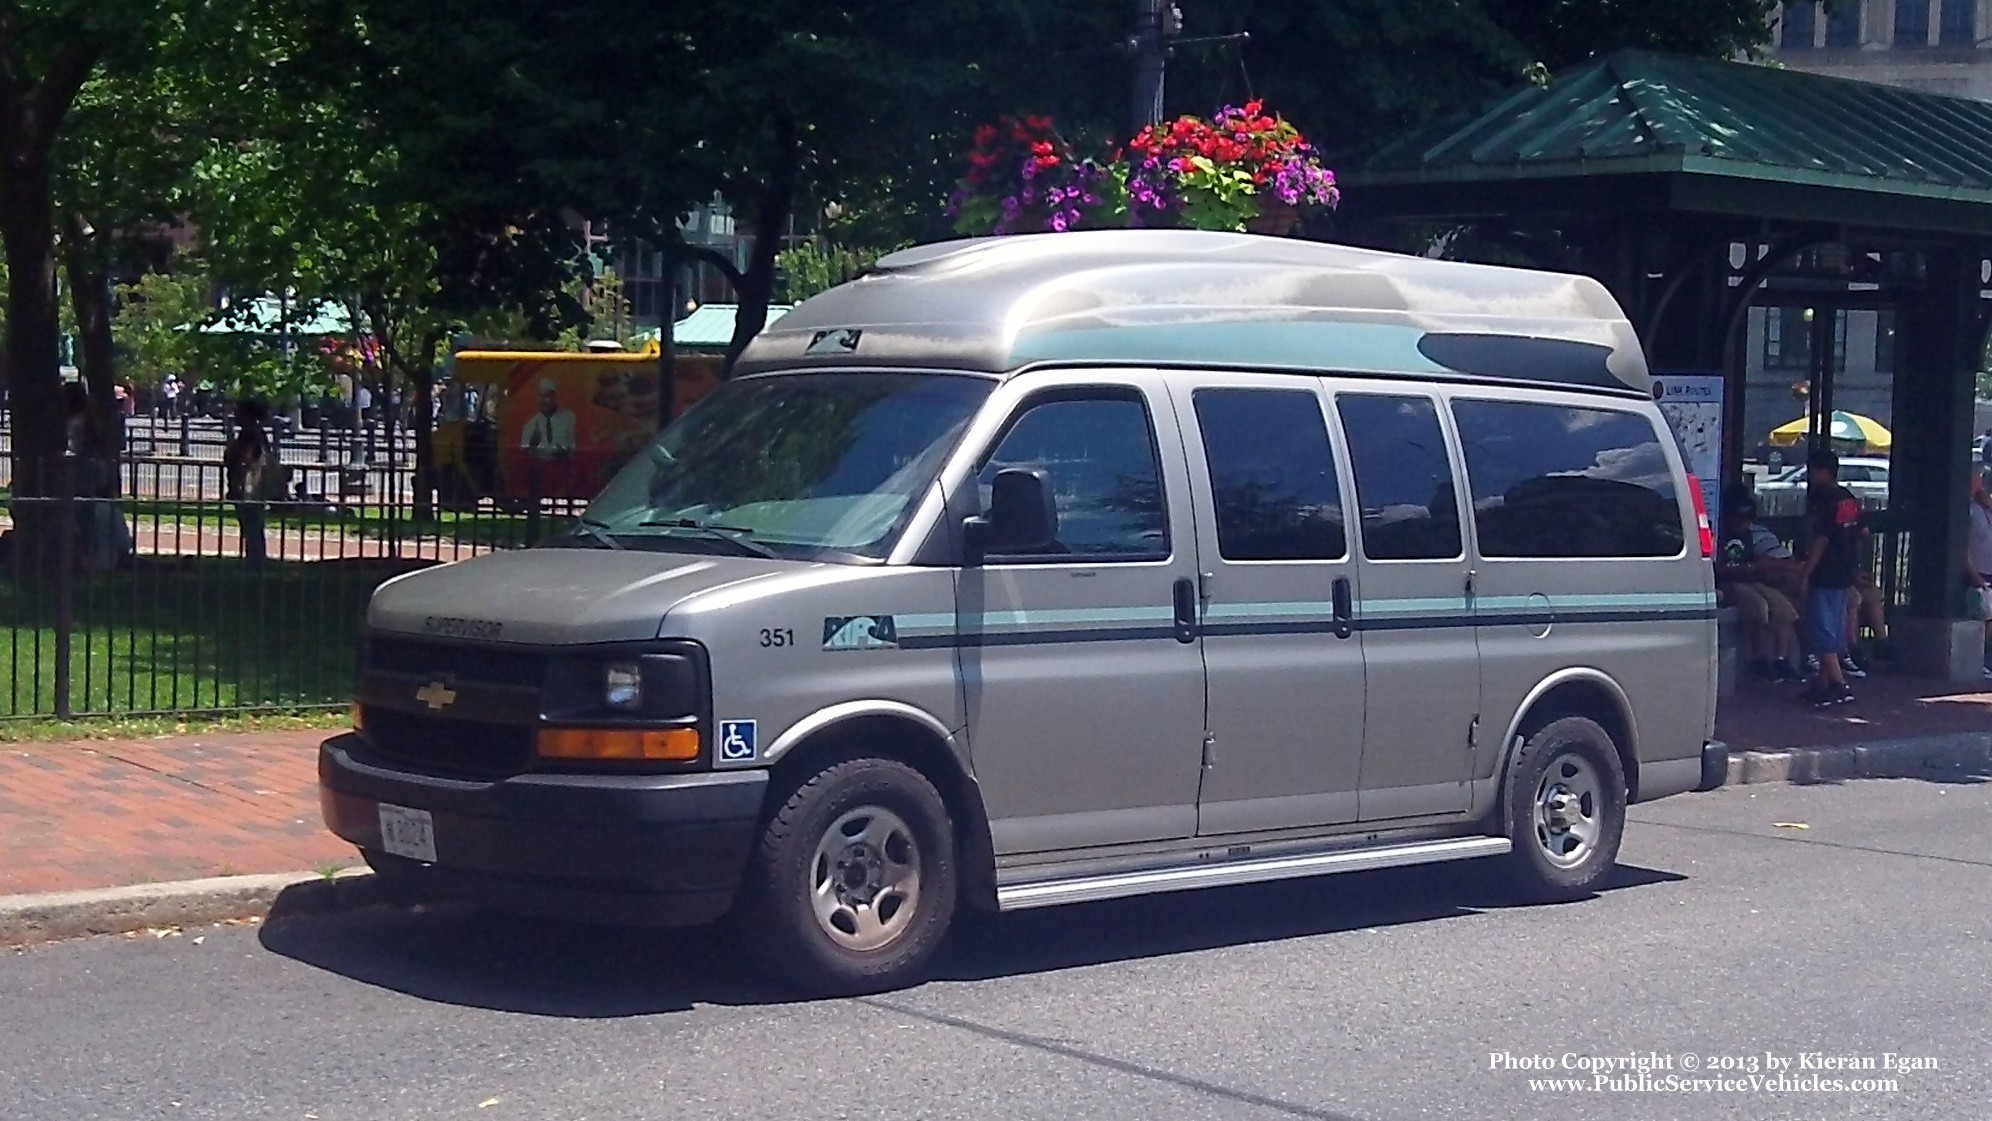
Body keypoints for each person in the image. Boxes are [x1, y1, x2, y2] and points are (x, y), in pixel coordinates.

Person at [1715, 489, 1803, 681]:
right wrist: (1737, 569)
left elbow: (1758, 560)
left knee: (1783, 608)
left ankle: (1781, 659)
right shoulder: (1720, 534)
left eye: (1747, 519)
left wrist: (1757, 566)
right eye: (1739, 518)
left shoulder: (1749, 535)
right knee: (1758, 606)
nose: (1743, 523)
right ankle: (1759, 658)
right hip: (1728, 584)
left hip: (1752, 579)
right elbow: (1716, 567)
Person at [1799, 447, 1862, 706]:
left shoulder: (1824, 500)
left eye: (1813, 471)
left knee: (1821, 629)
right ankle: (1821, 685)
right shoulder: (1848, 499)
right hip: (1844, 570)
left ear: (1822, 471)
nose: (1811, 476)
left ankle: (1838, 684)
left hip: (1825, 572)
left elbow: (1821, 540)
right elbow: (1862, 532)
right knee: (1834, 628)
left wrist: (1806, 573)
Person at [223, 400, 273, 569]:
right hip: (251, 486)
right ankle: (255, 558)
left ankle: (255, 560)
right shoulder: (257, 433)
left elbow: (246, 458)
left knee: (251, 524)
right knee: (253, 524)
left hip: (249, 487)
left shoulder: (250, 434)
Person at [519, 377, 577, 494]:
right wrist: (533, 447)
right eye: (541, 396)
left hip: (564, 469)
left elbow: (573, 447)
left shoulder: (568, 418)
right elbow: (525, 451)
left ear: (554, 397)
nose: (543, 400)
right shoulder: (531, 424)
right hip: (541, 472)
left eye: (547, 396)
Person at [1968, 467, 1992, 679]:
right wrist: (1973, 573)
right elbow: (1961, 545)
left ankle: (1987, 657)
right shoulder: (1966, 510)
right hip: (1978, 571)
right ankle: (1978, 659)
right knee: (1984, 615)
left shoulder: (1983, 506)